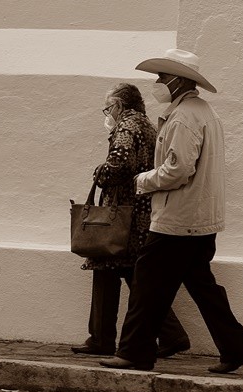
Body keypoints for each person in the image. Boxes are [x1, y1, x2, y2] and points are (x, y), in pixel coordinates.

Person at [99, 49, 243, 374]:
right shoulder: (202, 111)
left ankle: (135, 353)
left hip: (178, 219)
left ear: (177, 80)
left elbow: (178, 169)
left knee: (146, 284)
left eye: (161, 77)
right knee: (202, 286)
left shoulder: (184, 117)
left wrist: (143, 179)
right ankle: (236, 347)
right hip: (199, 219)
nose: (157, 83)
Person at [71, 83, 190, 358]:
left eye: (108, 107)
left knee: (109, 266)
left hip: (121, 214)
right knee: (130, 273)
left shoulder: (126, 127)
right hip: (141, 212)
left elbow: (120, 164)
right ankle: (170, 334)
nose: (107, 113)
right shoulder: (147, 126)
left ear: (120, 106)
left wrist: (100, 173)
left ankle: (102, 338)